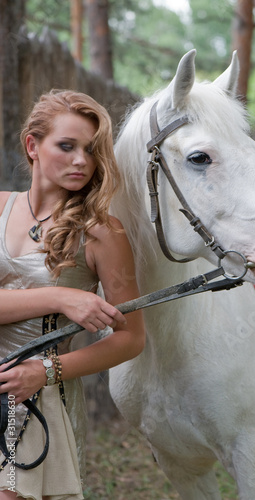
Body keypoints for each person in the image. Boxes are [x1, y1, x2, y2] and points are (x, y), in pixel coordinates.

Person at [0, 90, 145, 499]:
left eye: (91, 150)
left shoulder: (102, 232)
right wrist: (61, 298)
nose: (82, 160)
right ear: (33, 145)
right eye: (67, 146)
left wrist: (45, 372)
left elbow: (131, 337)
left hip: (31, 402)